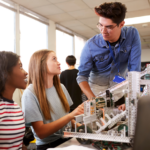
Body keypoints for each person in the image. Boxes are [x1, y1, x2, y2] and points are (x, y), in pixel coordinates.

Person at [77, 2, 141, 111]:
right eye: (100, 25)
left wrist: (130, 98)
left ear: (121, 24)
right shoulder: (90, 45)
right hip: (96, 91)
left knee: (122, 120)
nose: (103, 31)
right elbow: (82, 76)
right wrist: (94, 101)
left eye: (109, 27)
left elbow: (134, 70)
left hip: (118, 89)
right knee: (99, 123)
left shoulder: (132, 34)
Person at [21, 50, 84, 150]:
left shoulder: (61, 87)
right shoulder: (30, 93)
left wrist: (81, 127)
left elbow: (65, 118)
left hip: (67, 139)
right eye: (54, 59)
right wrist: (71, 115)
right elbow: (41, 133)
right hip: (48, 146)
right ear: (41, 65)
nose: (59, 63)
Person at [0, 51, 27, 149]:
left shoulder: (15, 106)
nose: (25, 72)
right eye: (20, 67)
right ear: (5, 72)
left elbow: (17, 144)